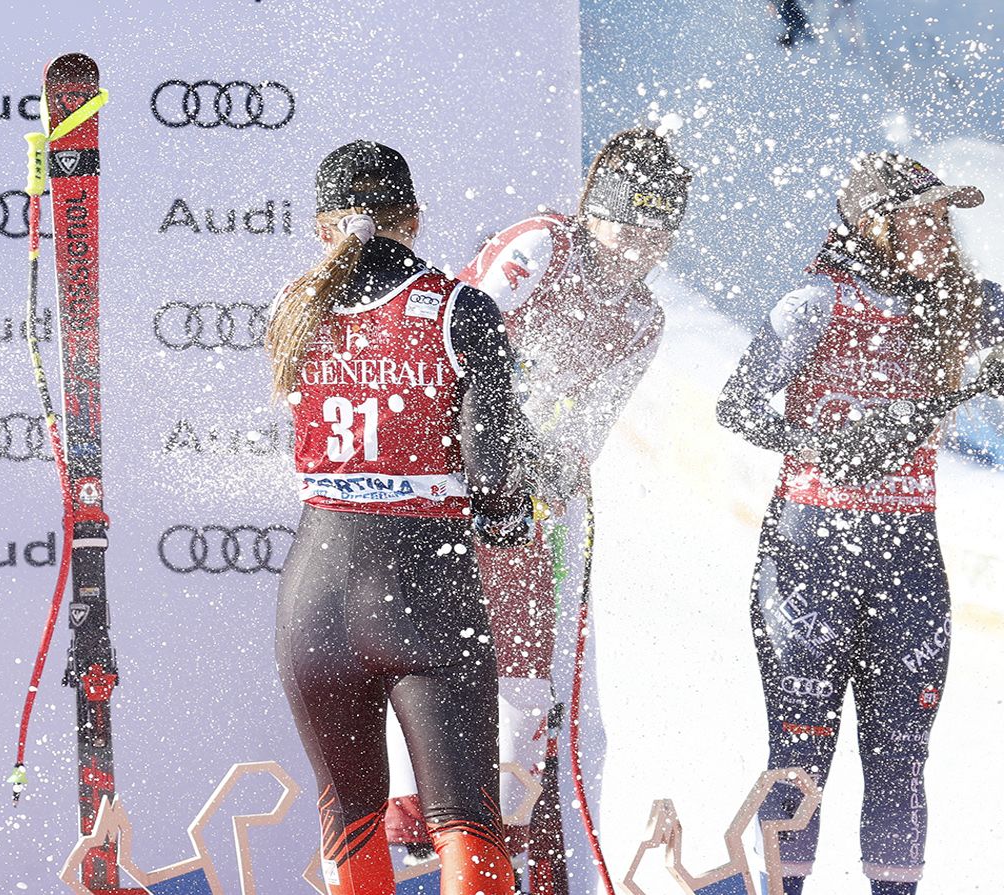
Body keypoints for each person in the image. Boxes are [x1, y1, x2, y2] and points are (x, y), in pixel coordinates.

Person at [386, 127, 692, 894]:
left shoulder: (643, 320)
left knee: (529, 674)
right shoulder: (543, 245)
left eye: (658, 228)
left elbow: (584, 430)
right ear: (593, 212)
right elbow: (452, 335)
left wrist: (542, 467)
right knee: (432, 659)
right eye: (627, 221)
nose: (638, 244)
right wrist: (495, 441)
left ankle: (505, 837)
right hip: (441, 474)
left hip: (522, 496)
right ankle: (408, 827)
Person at [717, 151, 1003, 895]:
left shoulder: (964, 303)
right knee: (799, 757)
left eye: (945, 217)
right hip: (810, 555)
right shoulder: (816, 300)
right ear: (873, 224)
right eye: (922, 216)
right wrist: (819, 445)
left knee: (903, 758)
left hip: (909, 562)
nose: (940, 232)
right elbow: (737, 405)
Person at [270, 140, 533, 895]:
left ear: (325, 229)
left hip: (313, 595)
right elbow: (494, 477)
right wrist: (511, 521)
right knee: (464, 823)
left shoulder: (296, 304)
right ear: (413, 219)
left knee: (350, 815)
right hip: (424, 592)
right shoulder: (460, 307)